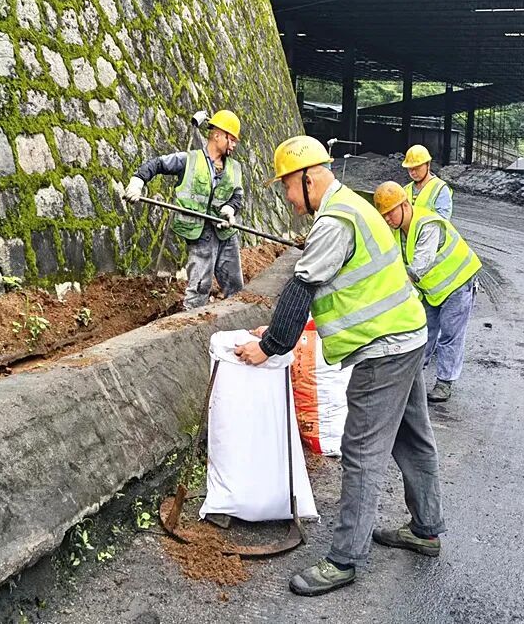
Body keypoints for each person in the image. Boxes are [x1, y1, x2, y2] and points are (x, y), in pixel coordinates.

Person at [234, 136, 445, 597]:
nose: (288, 198)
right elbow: (347, 286)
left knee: (361, 450)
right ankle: (426, 529)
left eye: (287, 186)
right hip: (407, 334)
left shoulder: (333, 222)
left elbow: (301, 287)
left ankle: (344, 559)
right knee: (412, 437)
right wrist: (276, 331)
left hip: (383, 348)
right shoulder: (352, 206)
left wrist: (269, 346)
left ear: (307, 178)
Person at [123, 110, 244, 309]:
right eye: (231, 139)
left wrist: (230, 209)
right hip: (200, 232)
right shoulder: (189, 160)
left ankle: (237, 319)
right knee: (200, 288)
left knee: (236, 287)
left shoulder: (234, 168)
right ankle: (191, 322)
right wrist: (137, 182)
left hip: (226, 234)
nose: (233, 145)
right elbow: (157, 164)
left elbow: (237, 195)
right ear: (217, 135)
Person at [373, 181, 481, 403]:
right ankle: (412, 378)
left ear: (404, 205)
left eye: (390, 213)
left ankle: (444, 382)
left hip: (458, 283)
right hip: (433, 291)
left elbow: (420, 264)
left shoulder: (427, 224)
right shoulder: (396, 231)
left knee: (450, 334)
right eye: (384, 215)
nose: (387, 219)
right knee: (423, 332)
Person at [402, 144, 452, 219]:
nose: (413, 172)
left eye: (417, 168)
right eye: (410, 169)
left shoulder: (440, 188)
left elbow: (442, 221)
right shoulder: (405, 190)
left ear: (428, 164)